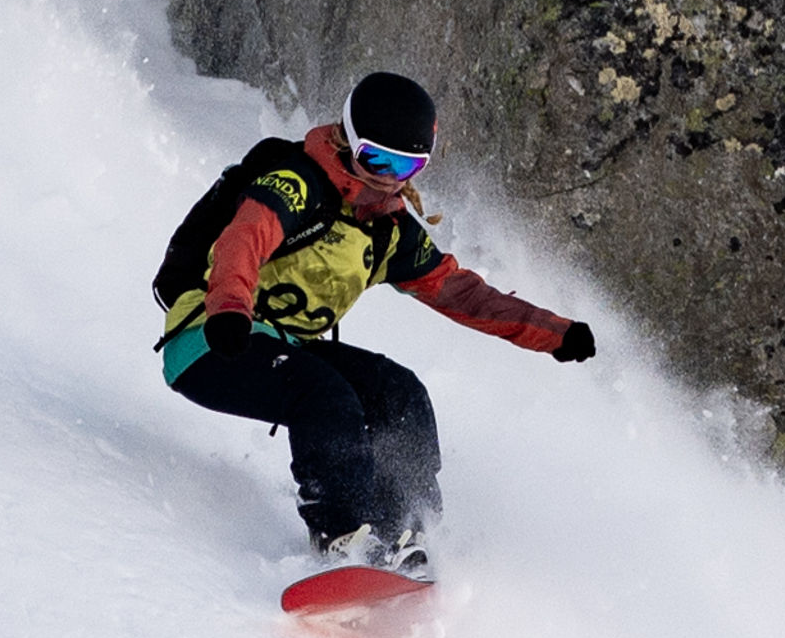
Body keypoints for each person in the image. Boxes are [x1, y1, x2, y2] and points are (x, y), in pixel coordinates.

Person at [155, 71, 595, 575]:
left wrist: (553, 333)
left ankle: (408, 531)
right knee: (324, 396)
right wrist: (230, 307)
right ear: (348, 142)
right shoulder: (298, 183)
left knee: (398, 392)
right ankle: (342, 537)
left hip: (286, 345)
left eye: (406, 166)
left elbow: (461, 293)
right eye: (376, 161)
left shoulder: (387, 229)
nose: (389, 178)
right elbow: (245, 238)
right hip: (211, 337)